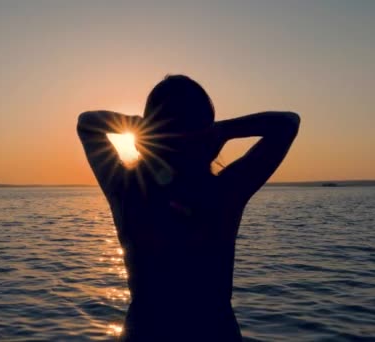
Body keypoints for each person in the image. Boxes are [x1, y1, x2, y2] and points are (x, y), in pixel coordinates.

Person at [77, 75, 300, 341]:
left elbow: (87, 124)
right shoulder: (225, 191)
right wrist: (220, 130)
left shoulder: (126, 191)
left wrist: (143, 126)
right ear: (208, 140)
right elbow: (287, 123)